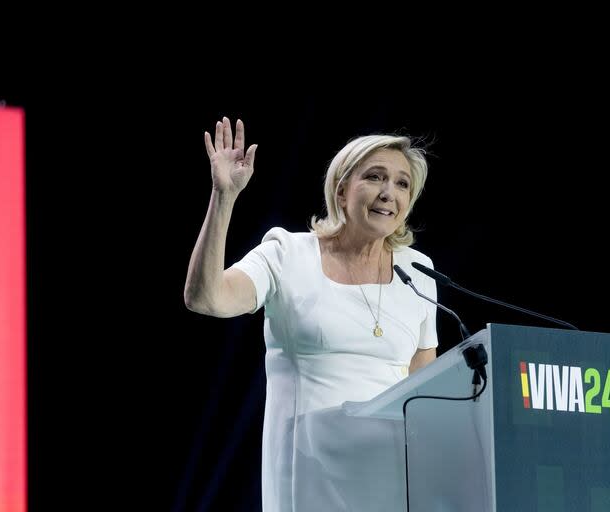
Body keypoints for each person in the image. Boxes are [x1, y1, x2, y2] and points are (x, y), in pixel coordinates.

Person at [184, 116, 438, 511]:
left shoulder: (418, 271)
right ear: (341, 191)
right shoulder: (287, 253)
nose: (389, 192)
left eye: (402, 183)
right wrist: (224, 198)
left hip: (387, 479)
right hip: (307, 477)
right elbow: (206, 298)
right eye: (374, 177)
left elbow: (425, 394)